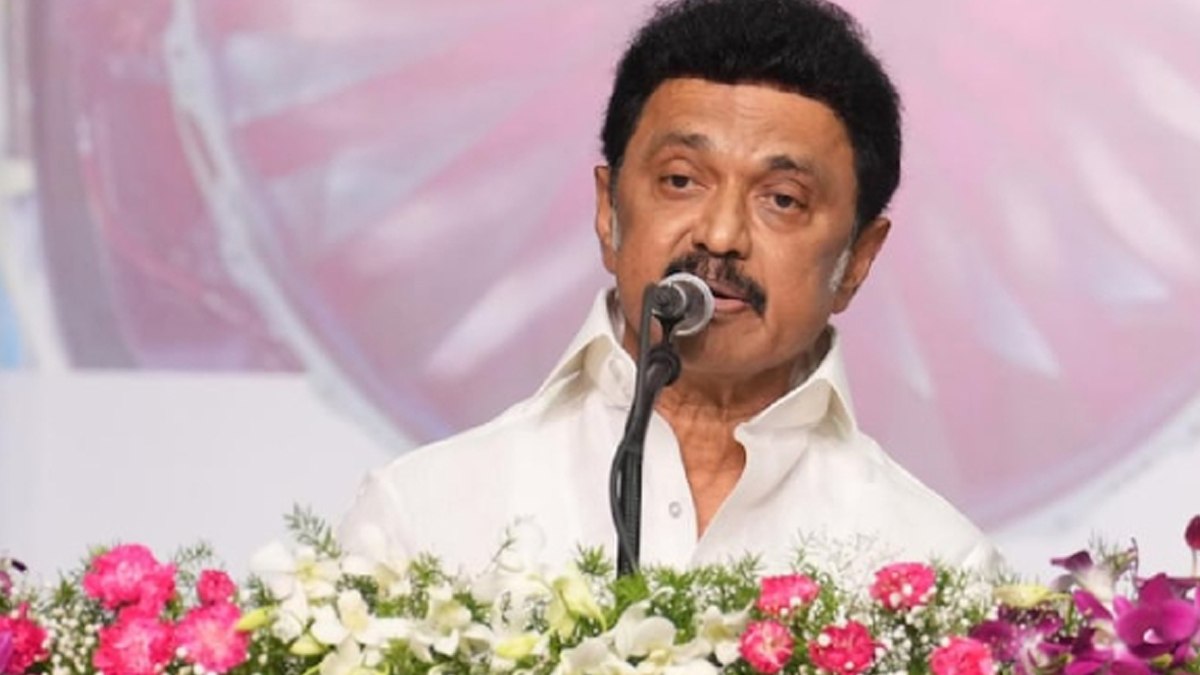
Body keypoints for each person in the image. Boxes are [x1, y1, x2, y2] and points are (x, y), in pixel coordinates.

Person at [339, 0, 1001, 574]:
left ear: (857, 261)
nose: (720, 235)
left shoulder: (939, 568)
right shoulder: (423, 519)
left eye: (782, 198)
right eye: (681, 180)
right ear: (608, 213)